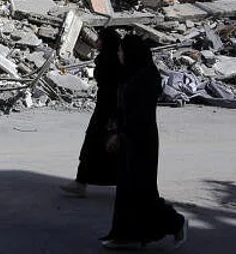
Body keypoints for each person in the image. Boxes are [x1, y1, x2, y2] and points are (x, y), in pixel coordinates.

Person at [102, 34, 187, 250]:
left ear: (132, 53)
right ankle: (125, 235)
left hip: (141, 139)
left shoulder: (146, 77)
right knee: (127, 190)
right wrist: (115, 130)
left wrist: (120, 135)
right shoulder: (131, 73)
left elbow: (139, 114)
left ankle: (176, 223)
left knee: (141, 189)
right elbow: (120, 106)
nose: (119, 54)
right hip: (128, 137)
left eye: (122, 51)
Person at [61, 27, 123, 198]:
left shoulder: (111, 61)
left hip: (109, 110)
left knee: (98, 146)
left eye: (99, 39)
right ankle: (81, 182)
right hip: (105, 108)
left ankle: (82, 183)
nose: (96, 42)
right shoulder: (110, 59)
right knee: (96, 146)